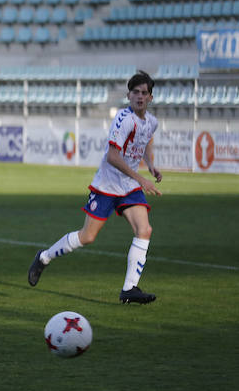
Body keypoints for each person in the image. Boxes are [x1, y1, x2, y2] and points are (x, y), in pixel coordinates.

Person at [28, 70, 162, 304]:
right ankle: (44, 257)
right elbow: (112, 156)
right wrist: (141, 178)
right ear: (128, 95)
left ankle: (129, 290)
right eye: (135, 92)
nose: (140, 97)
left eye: (144, 93)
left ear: (150, 97)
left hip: (128, 186)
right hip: (107, 185)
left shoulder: (152, 121)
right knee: (87, 237)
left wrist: (150, 164)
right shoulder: (123, 119)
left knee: (145, 230)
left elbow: (147, 138)